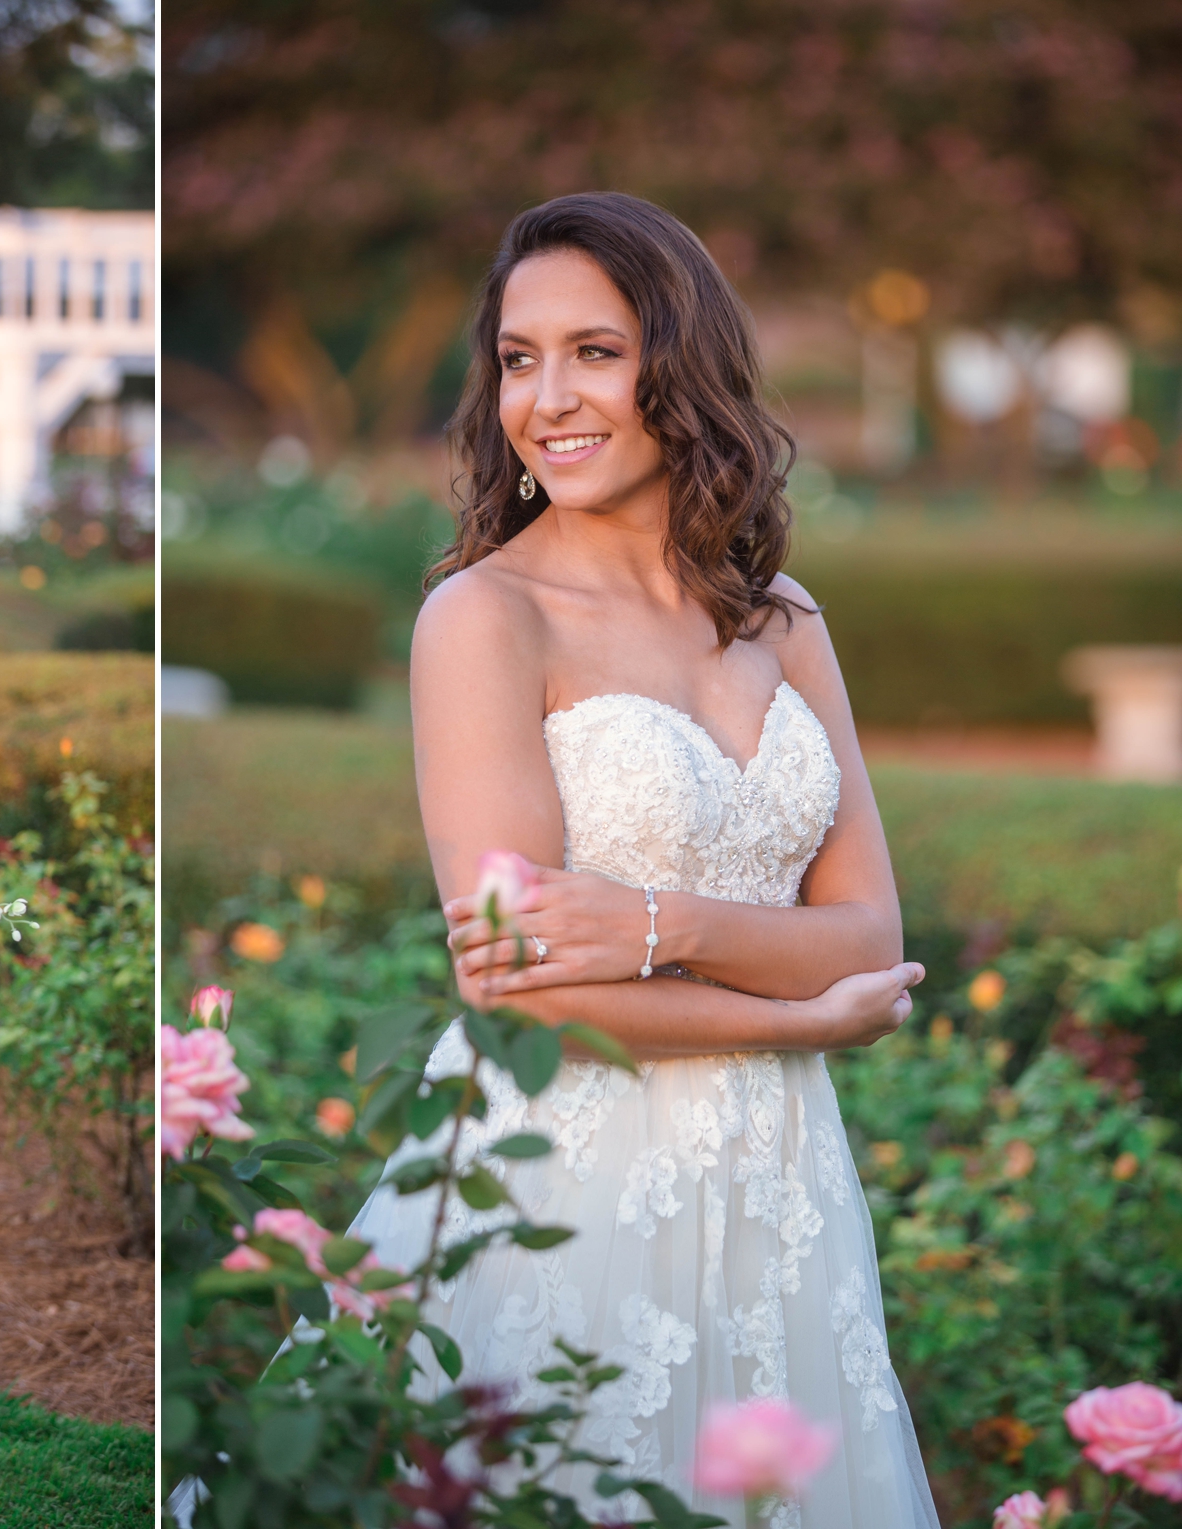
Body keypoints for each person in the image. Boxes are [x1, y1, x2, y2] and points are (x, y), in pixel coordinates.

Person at [348, 193, 939, 1528]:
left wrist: (650, 919)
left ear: (683, 366)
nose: (547, 398)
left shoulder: (784, 622)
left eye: (595, 352)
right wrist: (801, 1015)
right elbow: (517, 994)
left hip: (781, 1179)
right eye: (517, 358)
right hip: (561, 1180)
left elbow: (870, 927)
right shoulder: (484, 619)